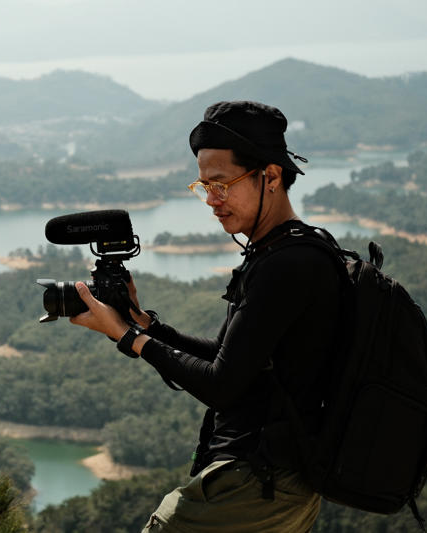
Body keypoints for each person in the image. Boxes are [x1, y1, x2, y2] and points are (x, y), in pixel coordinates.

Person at [68, 101, 342, 532]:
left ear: (269, 176)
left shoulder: (287, 265)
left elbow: (221, 386)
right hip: (275, 487)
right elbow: (230, 360)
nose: (212, 200)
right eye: (204, 186)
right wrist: (147, 326)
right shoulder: (284, 253)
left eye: (222, 184)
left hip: (256, 484)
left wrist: (127, 337)